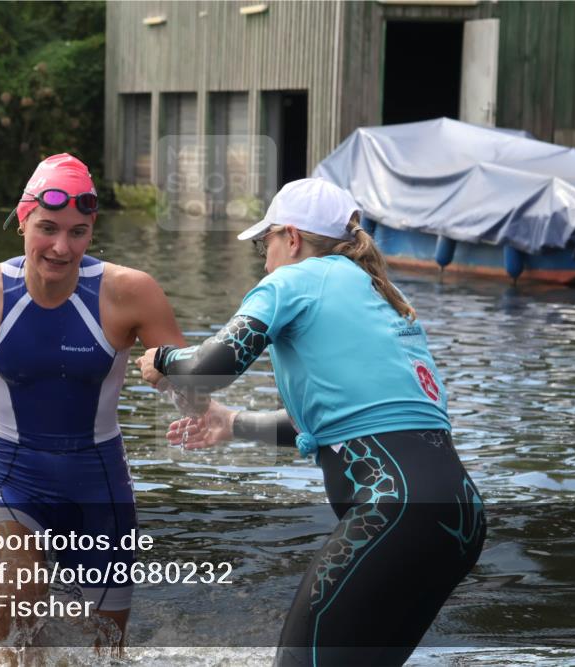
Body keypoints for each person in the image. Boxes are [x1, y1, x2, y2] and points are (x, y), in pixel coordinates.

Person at [138, 178, 486, 666]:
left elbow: (211, 368)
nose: (264, 259)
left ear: (292, 238)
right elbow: (342, 425)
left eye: (266, 243)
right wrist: (232, 423)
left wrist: (165, 359)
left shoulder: (291, 281)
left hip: (395, 508)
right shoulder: (382, 294)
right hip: (459, 516)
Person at [0, 153, 186, 654]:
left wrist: (173, 372)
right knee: (19, 596)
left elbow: (194, 383)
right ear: (22, 220)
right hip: (9, 478)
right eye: (47, 228)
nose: (60, 246)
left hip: (101, 493)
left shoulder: (129, 292)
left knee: (105, 652)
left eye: (77, 232)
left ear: (92, 230)